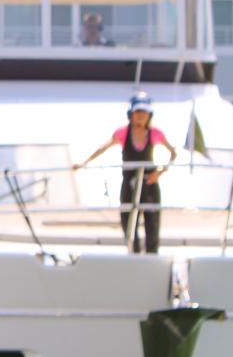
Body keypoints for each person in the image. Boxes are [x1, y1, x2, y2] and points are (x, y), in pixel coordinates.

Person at [76, 92, 178, 253]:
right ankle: (133, 252)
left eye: (144, 113)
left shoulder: (155, 134)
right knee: (128, 219)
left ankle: (152, 254)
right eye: (137, 113)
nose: (140, 116)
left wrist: (160, 172)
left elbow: (173, 153)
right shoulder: (123, 133)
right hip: (129, 182)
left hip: (149, 183)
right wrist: (84, 163)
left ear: (149, 115)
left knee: (152, 220)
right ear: (131, 114)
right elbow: (102, 148)